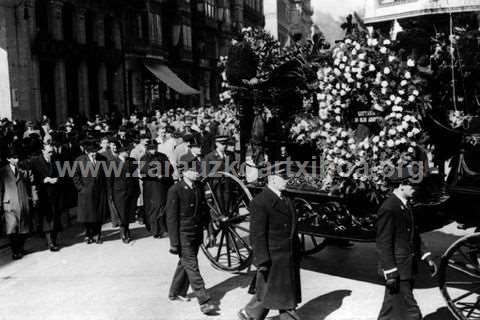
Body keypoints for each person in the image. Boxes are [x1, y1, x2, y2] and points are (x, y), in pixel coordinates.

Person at [376, 165, 438, 320]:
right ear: (401, 185)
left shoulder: (406, 204)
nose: (415, 189)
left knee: (390, 309)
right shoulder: (389, 208)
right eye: (412, 185)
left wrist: (427, 257)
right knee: (411, 311)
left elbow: (414, 235)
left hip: (406, 267)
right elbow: (384, 243)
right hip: (397, 269)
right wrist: (390, 272)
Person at [238, 173, 302, 320]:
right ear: (272, 179)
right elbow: (257, 234)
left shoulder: (287, 199)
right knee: (275, 290)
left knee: (275, 290)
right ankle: (252, 314)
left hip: (288, 254)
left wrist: (297, 251)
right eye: (284, 178)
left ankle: (250, 314)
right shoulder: (260, 202)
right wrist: (262, 259)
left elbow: (294, 228)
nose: (287, 181)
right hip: (273, 255)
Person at [166, 160, 216, 315]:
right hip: (183, 234)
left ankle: (175, 292)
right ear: (184, 172)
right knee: (192, 266)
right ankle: (204, 301)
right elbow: (171, 218)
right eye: (194, 171)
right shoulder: (175, 190)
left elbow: (205, 212)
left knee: (185, 263)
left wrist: (211, 231)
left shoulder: (198, 187)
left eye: (198, 170)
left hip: (196, 232)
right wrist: (174, 243)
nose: (197, 173)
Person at [23, 143, 62, 251]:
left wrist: (57, 179)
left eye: (52, 152)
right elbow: (30, 178)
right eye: (49, 152)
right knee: (47, 219)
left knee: (55, 218)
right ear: (43, 151)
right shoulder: (35, 162)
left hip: (55, 194)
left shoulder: (56, 160)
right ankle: (50, 243)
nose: (51, 154)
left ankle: (53, 241)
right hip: (43, 194)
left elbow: (62, 174)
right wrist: (45, 180)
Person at [0, 148, 36, 260]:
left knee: (24, 229)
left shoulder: (23, 169)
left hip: (22, 201)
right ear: (8, 159)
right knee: (12, 228)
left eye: (17, 157)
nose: (16, 160)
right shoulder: (2, 171)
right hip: (9, 203)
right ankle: (15, 251)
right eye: (13, 158)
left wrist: (34, 198)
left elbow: (31, 183)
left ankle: (20, 248)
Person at [73, 140, 108, 244]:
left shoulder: (103, 159)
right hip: (86, 192)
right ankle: (88, 234)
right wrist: (81, 188)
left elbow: (106, 175)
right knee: (87, 214)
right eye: (91, 152)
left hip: (99, 191)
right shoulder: (79, 160)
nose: (94, 153)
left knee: (99, 214)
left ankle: (98, 234)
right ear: (87, 152)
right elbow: (75, 175)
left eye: (95, 151)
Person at [140, 140, 173, 238]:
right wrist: (155, 174)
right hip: (151, 186)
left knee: (163, 206)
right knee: (154, 207)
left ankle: (163, 228)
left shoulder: (163, 156)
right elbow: (143, 170)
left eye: (155, 148)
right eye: (151, 148)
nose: (153, 150)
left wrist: (164, 174)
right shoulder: (144, 158)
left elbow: (170, 168)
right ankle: (155, 230)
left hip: (163, 184)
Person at [110, 144, 140, 243]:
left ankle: (127, 230)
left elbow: (135, 177)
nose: (128, 152)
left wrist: (137, 189)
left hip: (130, 190)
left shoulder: (132, 161)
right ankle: (123, 232)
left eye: (128, 150)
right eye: (125, 151)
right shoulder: (113, 163)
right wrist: (110, 193)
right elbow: (110, 180)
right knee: (121, 212)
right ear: (120, 152)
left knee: (128, 212)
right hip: (118, 191)